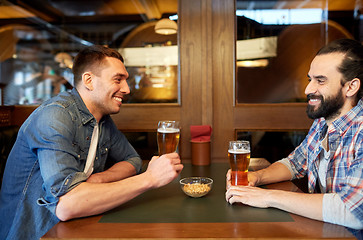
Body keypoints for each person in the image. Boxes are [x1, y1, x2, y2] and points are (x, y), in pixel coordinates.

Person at [0, 45, 183, 240]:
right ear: (88, 80)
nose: (127, 89)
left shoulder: (101, 119)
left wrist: (98, 180)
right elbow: (67, 205)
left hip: (78, 225)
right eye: (118, 79)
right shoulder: (55, 116)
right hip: (35, 233)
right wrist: (150, 179)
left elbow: (132, 160)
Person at [226, 38, 363, 232]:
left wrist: (267, 198)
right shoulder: (323, 122)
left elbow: (354, 212)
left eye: (320, 80)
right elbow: (296, 163)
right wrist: (257, 177)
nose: (308, 89)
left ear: (351, 87)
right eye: (310, 79)